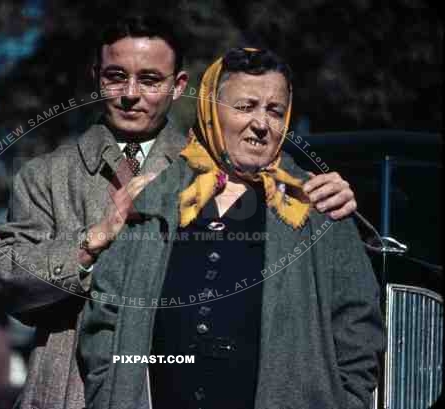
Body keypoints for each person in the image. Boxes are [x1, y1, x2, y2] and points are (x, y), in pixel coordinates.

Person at [0, 15, 360, 409]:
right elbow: (6, 278)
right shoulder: (44, 175)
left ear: (178, 85)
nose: (131, 93)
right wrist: (96, 237)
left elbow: (267, 161)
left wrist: (325, 192)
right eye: (116, 76)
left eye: (149, 80)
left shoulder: (213, 170)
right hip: (64, 397)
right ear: (96, 77)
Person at [78, 47, 385, 409]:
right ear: (210, 111)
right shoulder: (158, 198)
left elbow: (359, 328)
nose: (261, 123)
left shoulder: (317, 204)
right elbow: (106, 313)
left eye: (274, 110)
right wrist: (110, 390)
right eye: (245, 107)